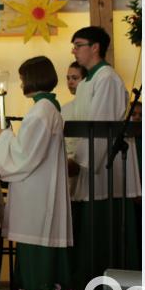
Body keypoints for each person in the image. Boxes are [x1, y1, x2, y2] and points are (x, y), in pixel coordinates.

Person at [0, 56, 73, 290]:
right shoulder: (46, 108)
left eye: (23, 78)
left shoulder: (40, 111)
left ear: (33, 79)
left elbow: (24, 156)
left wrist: (5, 137)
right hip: (41, 189)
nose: (20, 84)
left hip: (37, 194)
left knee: (36, 246)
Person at [68, 26, 142, 287]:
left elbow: (101, 126)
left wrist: (79, 162)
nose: (74, 49)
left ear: (95, 47)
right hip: (91, 167)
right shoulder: (88, 80)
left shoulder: (107, 79)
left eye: (78, 44)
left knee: (105, 236)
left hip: (104, 171)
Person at [61, 62, 88, 197]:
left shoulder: (92, 107)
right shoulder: (64, 108)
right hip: (66, 167)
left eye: (74, 78)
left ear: (85, 80)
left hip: (85, 166)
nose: (70, 82)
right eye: (68, 78)